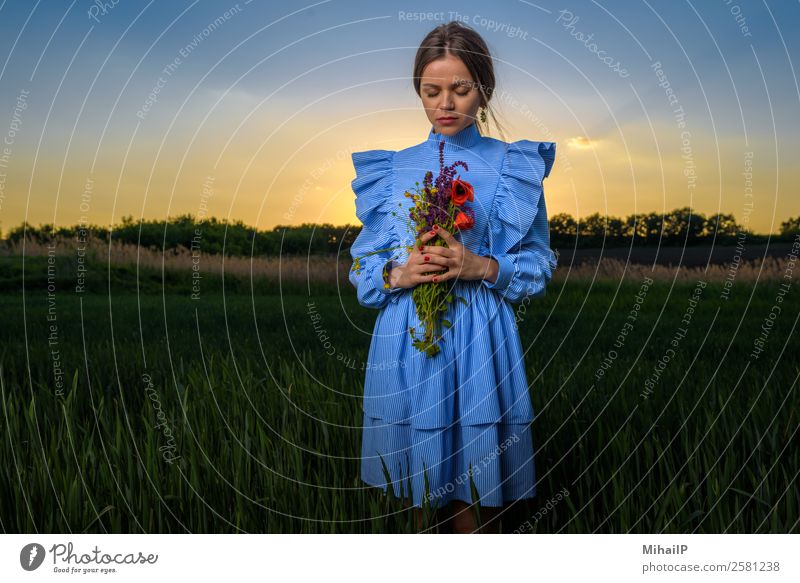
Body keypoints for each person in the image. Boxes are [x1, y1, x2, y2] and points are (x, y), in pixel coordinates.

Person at [348, 21, 558, 534]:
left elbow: (539, 262)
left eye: (461, 89)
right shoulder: (392, 170)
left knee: (475, 500)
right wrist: (398, 275)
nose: (446, 103)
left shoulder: (514, 166)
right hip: (405, 339)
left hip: (480, 337)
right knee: (414, 495)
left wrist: (481, 266)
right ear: (418, 91)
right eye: (431, 91)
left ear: (484, 90)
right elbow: (362, 264)